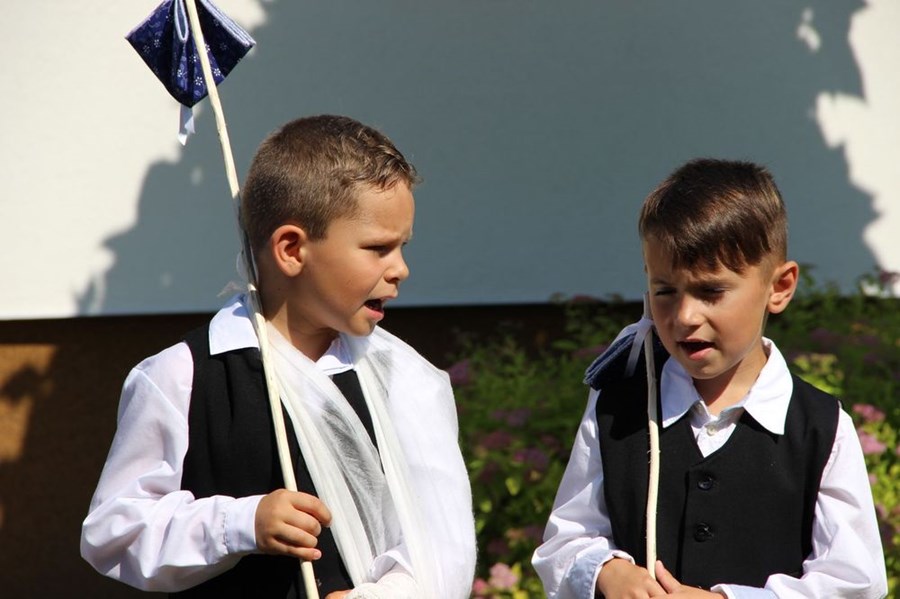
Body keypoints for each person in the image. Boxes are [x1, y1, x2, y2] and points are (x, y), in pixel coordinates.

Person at [81, 115, 476, 598]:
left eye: (402, 247)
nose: (401, 269)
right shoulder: (181, 377)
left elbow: (443, 545)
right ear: (291, 249)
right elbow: (114, 535)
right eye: (378, 248)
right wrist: (239, 522)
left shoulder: (407, 381)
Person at [532, 159, 888, 598]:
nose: (685, 316)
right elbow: (565, 540)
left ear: (779, 287)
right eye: (665, 291)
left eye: (711, 291)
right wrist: (604, 571)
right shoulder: (617, 407)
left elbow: (854, 582)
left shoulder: (821, 427)